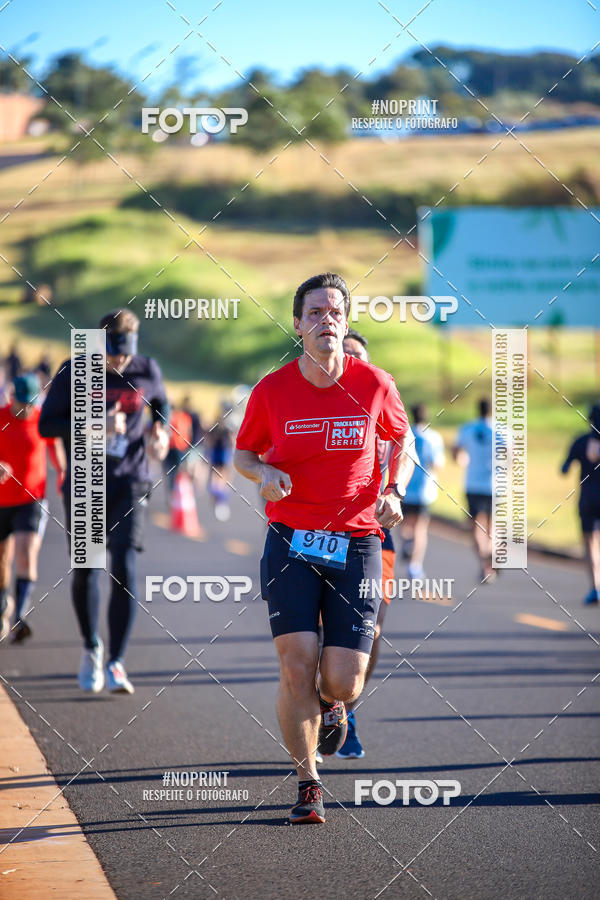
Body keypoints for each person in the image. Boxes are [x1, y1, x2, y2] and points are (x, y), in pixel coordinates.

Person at [234, 273, 414, 823]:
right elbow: (243, 455)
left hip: (358, 539)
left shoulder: (375, 383)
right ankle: (308, 780)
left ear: (345, 321)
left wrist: (394, 489)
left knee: (342, 677)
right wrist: (263, 470)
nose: (326, 320)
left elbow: (403, 440)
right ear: (297, 325)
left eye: (335, 312)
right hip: (290, 537)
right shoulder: (271, 390)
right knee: (296, 666)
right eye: (314, 312)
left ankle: (334, 703)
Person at [39, 309, 169, 694]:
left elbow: (162, 402)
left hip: (131, 480)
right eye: (113, 355)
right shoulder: (73, 370)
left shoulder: (147, 369)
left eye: (126, 355)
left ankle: (116, 662)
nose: (120, 362)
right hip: (85, 481)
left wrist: (160, 430)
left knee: (126, 568)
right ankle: (92, 647)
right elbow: (48, 423)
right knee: (87, 570)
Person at [335, 327, 410, 759]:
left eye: (358, 355)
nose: (351, 362)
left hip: (374, 534)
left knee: (371, 628)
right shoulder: (316, 404)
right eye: (346, 356)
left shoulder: (383, 405)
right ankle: (324, 704)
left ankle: (349, 710)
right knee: (323, 631)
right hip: (322, 535)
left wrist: (396, 492)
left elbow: (407, 443)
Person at [0, 374, 65, 643]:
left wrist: (63, 473)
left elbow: (55, 446)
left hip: (32, 499)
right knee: (3, 558)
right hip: (2, 500)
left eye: (30, 404)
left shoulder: (41, 419)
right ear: (12, 398)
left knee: (27, 551)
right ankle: (4, 603)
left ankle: (20, 616)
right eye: (21, 404)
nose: (25, 410)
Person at [561, 403, 600, 604]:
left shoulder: (581, 441)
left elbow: (564, 468)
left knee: (591, 543)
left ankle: (595, 587)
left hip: (588, 500)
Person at [401, 403, 445, 579]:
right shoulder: (433, 437)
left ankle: (406, 543)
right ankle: (415, 566)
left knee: (405, 524)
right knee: (420, 528)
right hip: (424, 491)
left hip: (405, 486)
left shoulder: (406, 434)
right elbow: (437, 465)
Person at [453, 398, 495, 582]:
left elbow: (456, 452)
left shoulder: (467, 429)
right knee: (492, 524)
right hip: (495, 484)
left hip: (473, 484)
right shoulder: (502, 430)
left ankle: (484, 562)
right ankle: (492, 552)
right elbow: (513, 455)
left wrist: (462, 460)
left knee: (476, 526)